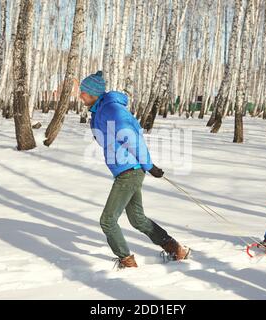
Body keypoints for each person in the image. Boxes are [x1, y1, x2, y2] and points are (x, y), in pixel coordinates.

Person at [79, 71, 189, 268]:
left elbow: (132, 138)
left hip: (129, 170)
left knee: (107, 220)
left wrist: (149, 165)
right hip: (127, 170)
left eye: (84, 92)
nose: (81, 96)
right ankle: (175, 248)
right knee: (137, 219)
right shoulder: (100, 110)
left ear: (94, 93)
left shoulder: (111, 109)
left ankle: (127, 261)